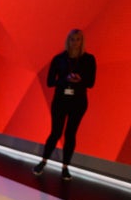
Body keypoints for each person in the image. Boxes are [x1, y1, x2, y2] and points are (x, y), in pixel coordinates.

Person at [33, 28, 96, 180]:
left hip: (78, 101)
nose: (75, 42)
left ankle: (65, 167)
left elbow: (91, 83)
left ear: (82, 41)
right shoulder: (59, 59)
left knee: (70, 134)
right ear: (68, 41)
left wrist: (79, 80)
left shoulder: (89, 59)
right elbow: (49, 82)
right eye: (72, 39)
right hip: (61, 100)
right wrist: (65, 79)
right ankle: (43, 161)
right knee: (56, 132)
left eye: (78, 39)